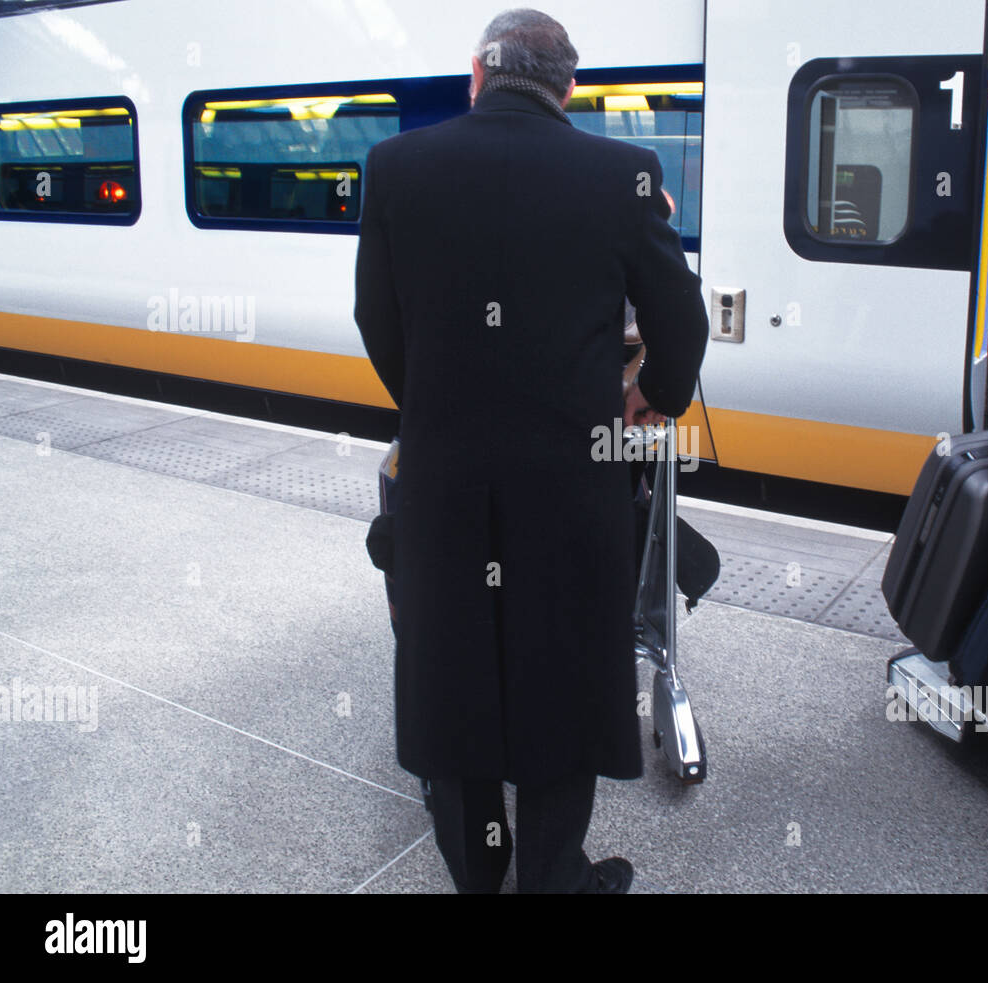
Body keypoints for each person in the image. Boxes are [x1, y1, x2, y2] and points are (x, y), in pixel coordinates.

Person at [353, 8, 708, 893]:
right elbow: (683, 324)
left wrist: (436, 408)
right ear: (569, 89)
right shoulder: (624, 173)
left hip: (446, 474)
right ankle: (553, 876)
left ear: (477, 73)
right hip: (572, 479)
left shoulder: (397, 166)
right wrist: (648, 399)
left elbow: (376, 318)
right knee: (563, 659)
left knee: (456, 658)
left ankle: (479, 869)